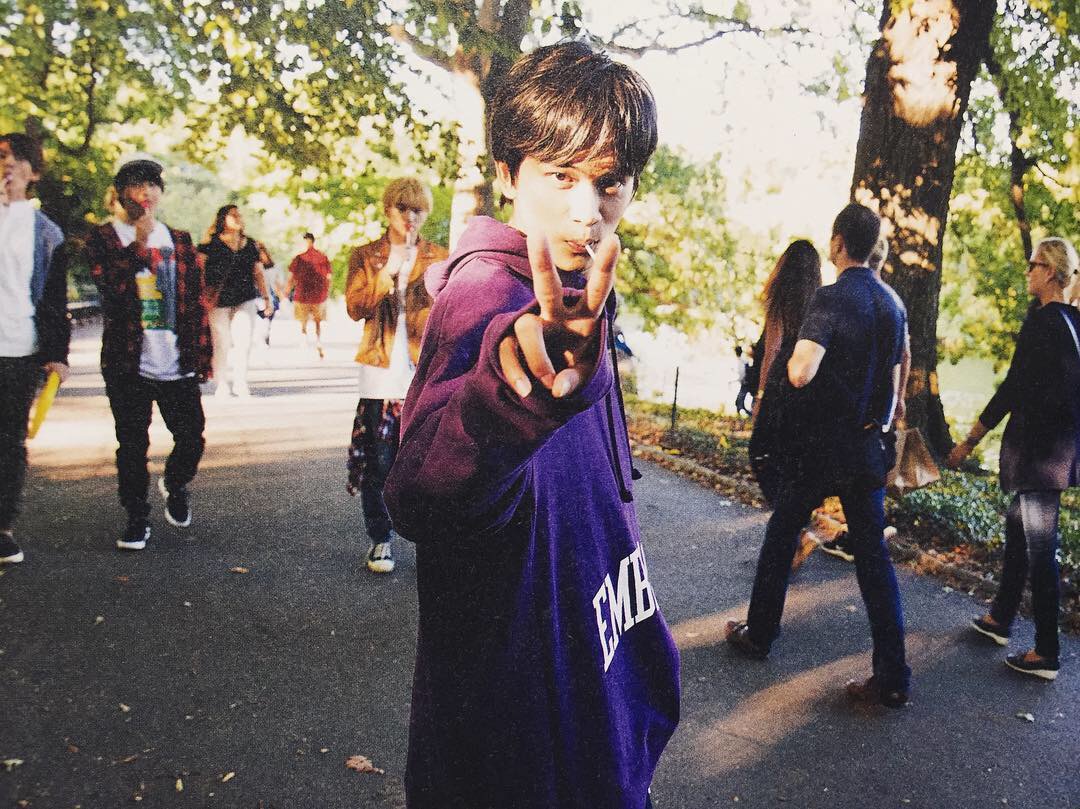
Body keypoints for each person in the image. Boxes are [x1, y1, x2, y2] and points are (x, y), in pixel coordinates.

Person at [382, 42, 679, 809]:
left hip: (595, 708)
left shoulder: (580, 295)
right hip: (512, 740)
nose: (588, 210)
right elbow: (418, 496)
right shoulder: (485, 295)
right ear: (509, 173)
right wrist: (511, 399)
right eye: (562, 175)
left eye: (610, 181)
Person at [726, 203, 911, 709]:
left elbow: (801, 371)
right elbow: (896, 383)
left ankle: (759, 634)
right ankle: (893, 676)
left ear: (837, 243)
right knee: (873, 560)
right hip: (868, 448)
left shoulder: (831, 298)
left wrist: (794, 372)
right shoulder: (893, 304)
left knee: (782, 530)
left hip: (822, 448)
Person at [947, 237, 1080, 681]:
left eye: (1033, 264)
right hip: (1058, 454)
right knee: (1018, 533)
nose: (1027, 271)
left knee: (1041, 551)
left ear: (1052, 273)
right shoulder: (1073, 323)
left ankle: (1047, 652)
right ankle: (1000, 618)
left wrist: (970, 440)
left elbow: (1012, 388)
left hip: (1038, 456)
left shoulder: (1042, 323)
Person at [86, 157, 211, 550]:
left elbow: (195, 302)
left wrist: (203, 355)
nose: (146, 192)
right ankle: (137, 518)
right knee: (132, 444)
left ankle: (175, 482)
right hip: (127, 360)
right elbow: (110, 290)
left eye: (153, 184)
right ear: (121, 193)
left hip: (176, 360)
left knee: (191, 437)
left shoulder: (179, 239)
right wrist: (138, 246)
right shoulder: (104, 238)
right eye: (137, 185)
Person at [344, 179, 448, 573]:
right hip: (380, 372)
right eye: (402, 208)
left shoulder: (439, 257)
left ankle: (431, 540)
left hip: (424, 372)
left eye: (417, 209)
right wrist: (386, 273)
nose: (410, 217)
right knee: (380, 463)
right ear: (388, 210)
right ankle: (380, 539)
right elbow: (355, 308)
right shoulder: (366, 256)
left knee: (428, 462)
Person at [0, 132, 70, 564]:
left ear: (34, 172)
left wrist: (58, 354)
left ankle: (3, 527)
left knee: (9, 440)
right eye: (0, 157)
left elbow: (54, 299)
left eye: (15, 157)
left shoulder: (46, 232)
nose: (6, 164)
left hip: (19, 347)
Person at [817, 233, 909, 561]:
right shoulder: (892, 302)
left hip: (843, 424)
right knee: (866, 487)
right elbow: (903, 355)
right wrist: (897, 398)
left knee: (794, 507)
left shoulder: (844, 298)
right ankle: (862, 537)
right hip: (872, 423)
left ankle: (851, 536)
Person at [746, 240, 823, 569]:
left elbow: (773, 348)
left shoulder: (780, 298)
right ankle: (797, 531)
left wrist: (761, 396)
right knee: (790, 462)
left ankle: (794, 530)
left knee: (760, 454)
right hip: (806, 387)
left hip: (779, 387)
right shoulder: (820, 302)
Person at [198, 205, 272, 398]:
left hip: (245, 297)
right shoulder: (210, 244)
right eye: (233, 215)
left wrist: (267, 298)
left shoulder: (250, 244)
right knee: (221, 342)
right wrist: (199, 296)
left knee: (243, 340)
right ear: (222, 219)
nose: (238, 218)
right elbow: (199, 271)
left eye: (239, 215)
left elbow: (258, 272)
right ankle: (221, 383)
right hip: (217, 300)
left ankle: (241, 382)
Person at [286, 232, 332, 358]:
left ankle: (304, 339)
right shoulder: (322, 257)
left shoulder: (299, 258)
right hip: (319, 295)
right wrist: (326, 291)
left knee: (303, 320)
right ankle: (318, 341)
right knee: (317, 321)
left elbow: (291, 277)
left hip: (303, 295)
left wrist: (286, 291)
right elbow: (329, 277)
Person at [734, 345, 753, 416]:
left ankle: (748, 413)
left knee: (740, 399)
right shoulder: (741, 359)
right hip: (744, 381)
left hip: (745, 381)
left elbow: (744, 371)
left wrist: (743, 379)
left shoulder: (743, 359)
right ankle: (745, 412)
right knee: (740, 399)